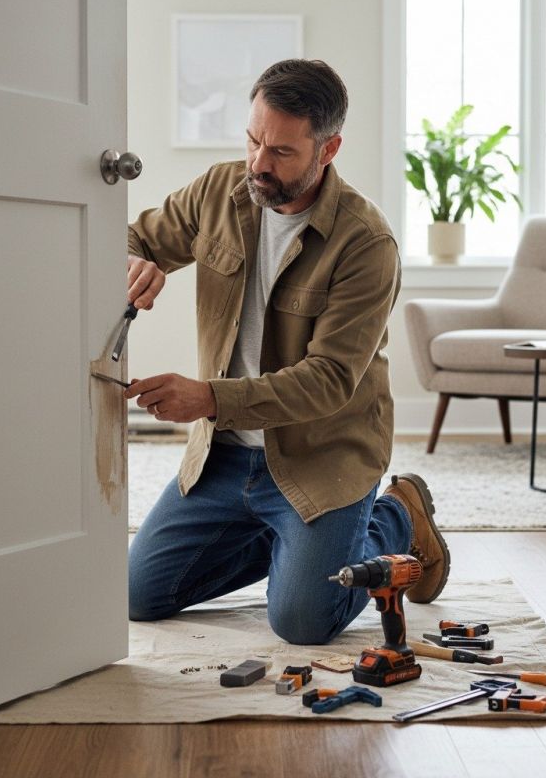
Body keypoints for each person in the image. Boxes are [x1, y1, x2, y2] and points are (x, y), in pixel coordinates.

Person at [124, 59, 450, 645]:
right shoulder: (218, 191)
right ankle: (291, 546)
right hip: (222, 458)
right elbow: (133, 235)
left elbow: (327, 379)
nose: (258, 164)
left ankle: (398, 515)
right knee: (136, 597)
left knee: (301, 621)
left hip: (318, 459)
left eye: (281, 152)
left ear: (328, 150)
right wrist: (134, 260)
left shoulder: (366, 243)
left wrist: (207, 397)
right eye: (252, 140)